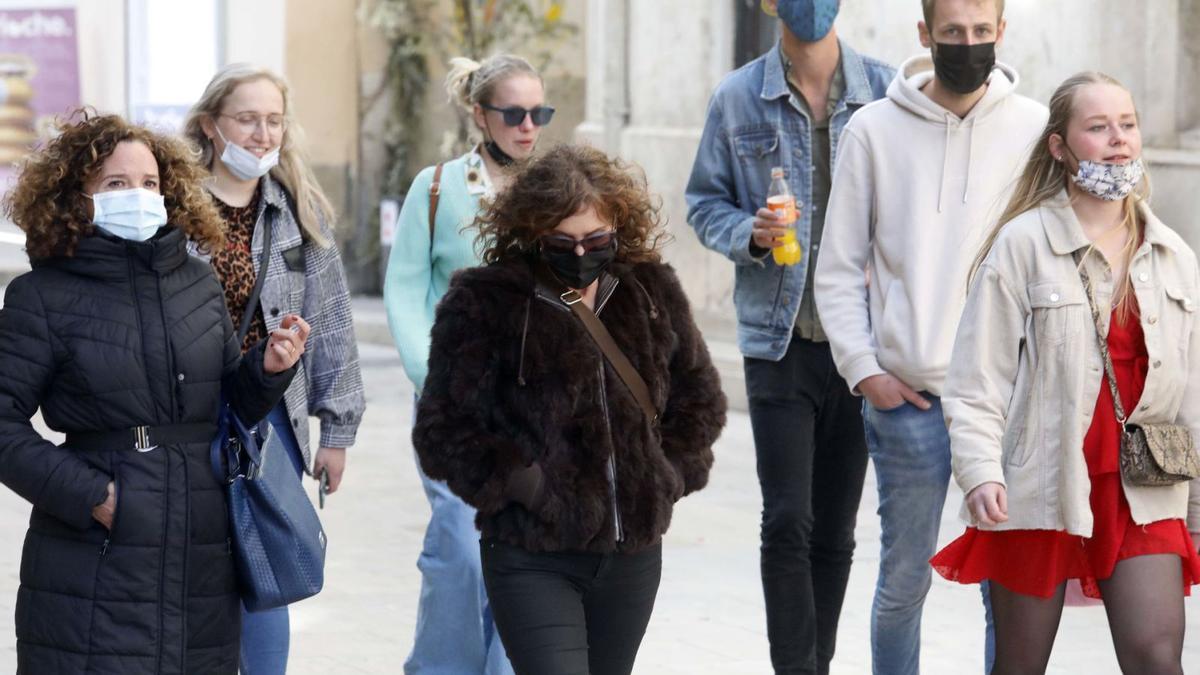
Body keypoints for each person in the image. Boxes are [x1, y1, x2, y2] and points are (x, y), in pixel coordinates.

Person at [0, 112, 308, 674]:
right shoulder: (40, 296)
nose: (137, 196)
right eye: (116, 185)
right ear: (77, 197)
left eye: (148, 183)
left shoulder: (196, 282)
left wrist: (266, 370)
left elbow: (224, 405)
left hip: (202, 545)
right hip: (95, 550)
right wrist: (94, 496)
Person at [412, 144, 726, 675]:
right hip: (532, 553)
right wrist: (525, 486)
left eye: (596, 240)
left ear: (619, 226)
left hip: (633, 555)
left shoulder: (649, 292)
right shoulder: (485, 302)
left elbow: (700, 400)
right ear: (532, 231)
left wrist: (664, 476)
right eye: (562, 242)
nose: (581, 255)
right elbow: (443, 429)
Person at [932, 72, 1200, 675]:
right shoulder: (1022, 245)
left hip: (1145, 485)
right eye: (1098, 127)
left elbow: (1192, 398)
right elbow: (978, 380)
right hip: (1042, 485)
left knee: (1160, 658)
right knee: (1020, 665)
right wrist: (979, 472)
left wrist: (1198, 507)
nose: (1118, 141)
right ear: (1060, 146)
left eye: (1127, 125)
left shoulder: (1173, 256)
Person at [813, 0, 1048, 672]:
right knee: (904, 583)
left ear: (1001, 34)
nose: (967, 45)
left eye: (980, 33)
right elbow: (836, 268)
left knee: (1007, 589)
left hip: (1007, 405)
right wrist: (866, 371)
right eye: (952, 33)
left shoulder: (1035, 130)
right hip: (908, 401)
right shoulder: (872, 131)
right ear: (925, 35)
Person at [684, 1, 892, 672]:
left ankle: (816, 663)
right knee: (787, 520)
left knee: (835, 528)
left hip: (862, 344)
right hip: (778, 340)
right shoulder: (738, 96)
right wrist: (750, 232)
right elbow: (703, 201)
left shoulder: (888, 93)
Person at [183, 63, 366, 674]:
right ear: (211, 125)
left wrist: (337, 432)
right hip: (189, 420)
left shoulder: (296, 213)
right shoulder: (174, 209)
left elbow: (332, 322)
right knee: (195, 573)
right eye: (247, 119)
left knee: (266, 566)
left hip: (272, 422)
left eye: (273, 121)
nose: (262, 134)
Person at [384, 53, 552, 675]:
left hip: (534, 404)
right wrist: (432, 379)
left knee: (521, 542)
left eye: (540, 113)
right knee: (457, 542)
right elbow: (403, 287)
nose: (529, 126)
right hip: (453, 402)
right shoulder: (435, 188)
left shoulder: (556, 190)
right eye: (514, 113)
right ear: (480, 115)